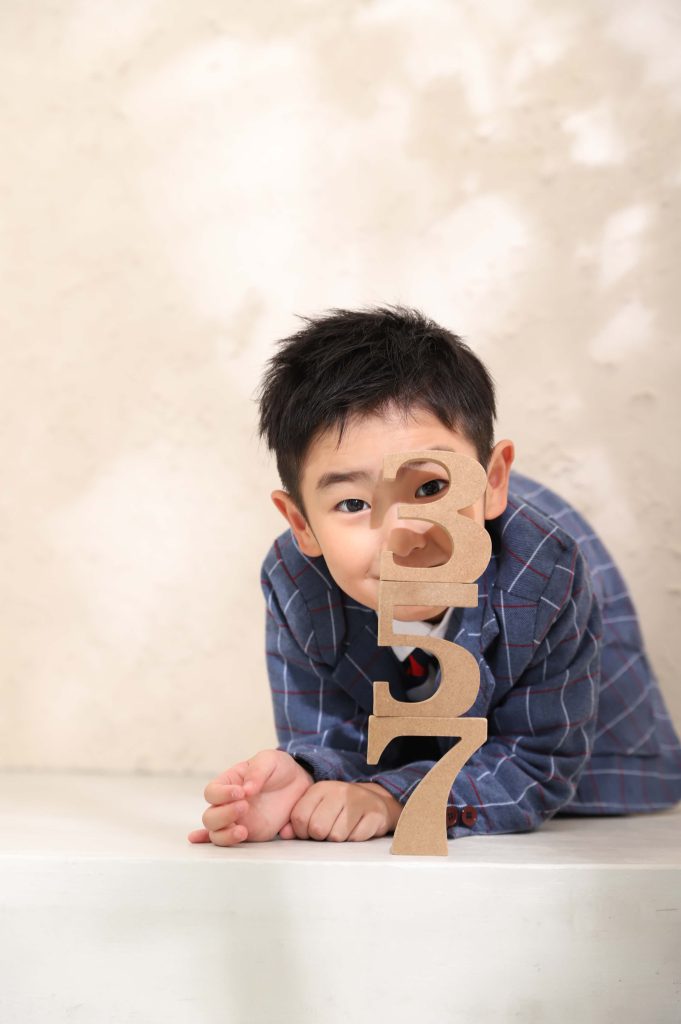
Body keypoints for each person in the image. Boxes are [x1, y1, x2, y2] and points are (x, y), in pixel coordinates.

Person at [188, 307, 681, 846]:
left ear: (492, 481)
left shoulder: (544, 567)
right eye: (352, 503)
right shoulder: (296, 579)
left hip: (585, 757)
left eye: (431, 489)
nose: (403, 535)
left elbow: (536, 762)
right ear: (302, 524)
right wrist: (305, 776)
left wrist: (395, 798)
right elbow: (337, 740)